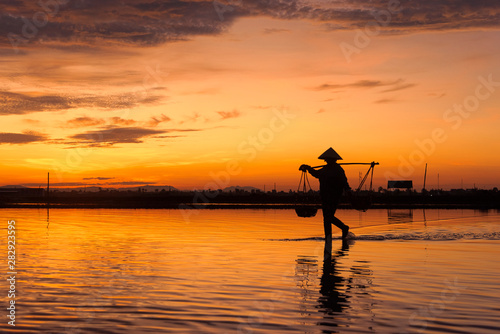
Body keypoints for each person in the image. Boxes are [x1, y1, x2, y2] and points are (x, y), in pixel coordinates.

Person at [299, 147, 351, 241]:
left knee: (328, 217)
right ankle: (330, 236)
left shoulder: (338, 170)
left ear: (333, 160)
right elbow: (317, 174)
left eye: (328, 159)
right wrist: (308, 167)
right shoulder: (325, 169)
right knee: (327, 218)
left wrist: (348, 190)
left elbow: (344, 181)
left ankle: (340, 229)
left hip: (334, 196)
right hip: (325, 196)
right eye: (326, 159)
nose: (326, 161)